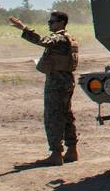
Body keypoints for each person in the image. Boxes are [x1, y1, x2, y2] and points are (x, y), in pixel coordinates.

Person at [9, 12, 79, 165]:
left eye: (52, 22)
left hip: (57, 82)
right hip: (66, 80)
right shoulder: (69, 38)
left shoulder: (59, 38)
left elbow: (42, 40)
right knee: (66, 115)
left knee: (53, 116)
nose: (49, 24)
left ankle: (56, 153)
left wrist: (24, 28)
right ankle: (71, 150)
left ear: (61, 23)